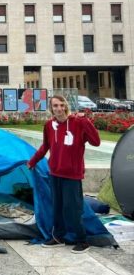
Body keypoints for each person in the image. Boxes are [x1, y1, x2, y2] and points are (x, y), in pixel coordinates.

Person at [27, 95, 100, 253]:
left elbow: (96, 142)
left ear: (66, 106)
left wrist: (86, 121)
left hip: (72, 174)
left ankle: (82, 240)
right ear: (51, 108)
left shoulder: (78, 123)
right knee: (57, 207)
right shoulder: (49, 125)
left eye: (61, 105)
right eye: (55, 106)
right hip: (55, 172)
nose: (59, 108)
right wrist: (32, 161)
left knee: (73, 208)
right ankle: (59, 237)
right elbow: (45, 146)